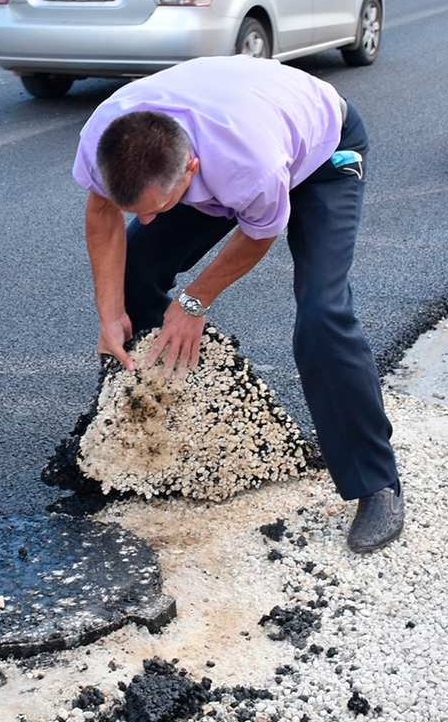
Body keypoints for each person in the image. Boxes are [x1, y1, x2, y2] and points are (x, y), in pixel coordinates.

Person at [74, 55, 403, 551]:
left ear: (191, 171)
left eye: (158, 208)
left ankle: (377, 483)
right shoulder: (105, 138)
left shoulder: (251, 168)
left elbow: (258, 232)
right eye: (137, 210)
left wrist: (192, 302)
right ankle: (158, 413)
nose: (151, 219)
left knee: (321, 313)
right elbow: (102, 214)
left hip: (322, 153)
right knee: (135, 267)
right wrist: (108, 311)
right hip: (232, 137)